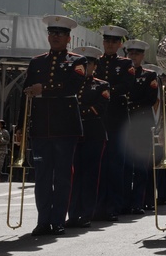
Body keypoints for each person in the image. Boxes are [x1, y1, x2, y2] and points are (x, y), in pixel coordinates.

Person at [23, 15, 87, 236]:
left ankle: (58, 219)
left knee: (61, 176)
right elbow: (27, 90)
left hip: (65, 127)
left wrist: (45, 89)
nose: (55, 37)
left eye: (60, 34)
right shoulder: (36, 61)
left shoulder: (78, 61)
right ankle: (43, 220)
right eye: (52, 33)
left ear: (68, 38)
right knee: (41, 176)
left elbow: (73, 86)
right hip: (41, 126)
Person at [93, 25, 135, 222]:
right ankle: (96, 205)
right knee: (97, 164)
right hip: (97, 118)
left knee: (115, 166)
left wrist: (104, 90)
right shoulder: (94, 62)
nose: (110, 44)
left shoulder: (126, 64)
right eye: (107, 40)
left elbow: (127, 86)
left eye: (114, 41)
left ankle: (113, 206)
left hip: (117, 120)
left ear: (119, 44)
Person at [67, 46, 109, 228]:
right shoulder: (71, 84)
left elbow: (100, 108)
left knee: (90, 175)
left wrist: (77, 110)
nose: (87, 66)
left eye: (90, 63)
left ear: (95, 66)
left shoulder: (102, 85)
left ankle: (86, 214)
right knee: (74, 176)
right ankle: (73, 213)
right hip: (74, 133)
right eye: (84, 63)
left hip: (93, 134)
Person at [123, 39, 157, 215]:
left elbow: (150, 99)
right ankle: (124, 202)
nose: (133, 56)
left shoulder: (149, 75)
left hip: (141, 123)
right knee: (125, 166)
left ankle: (139, 202)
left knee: (141, 167)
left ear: (142, 56)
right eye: (130, 53)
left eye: (136, 53)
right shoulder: (122, 72)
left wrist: (130, 102)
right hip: (124, 123)